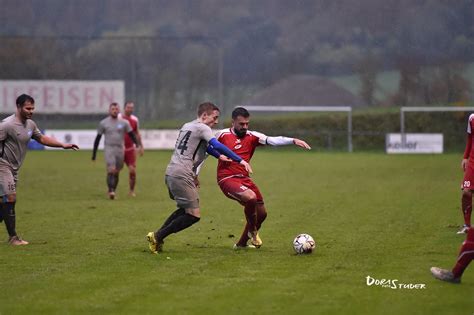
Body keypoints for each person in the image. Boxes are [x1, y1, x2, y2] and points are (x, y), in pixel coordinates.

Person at [146, 102, 253, 254]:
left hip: (172, 171)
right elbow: (216, 144)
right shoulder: (203, 128)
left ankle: (158, 238)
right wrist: (240, 160)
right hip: (182, 173)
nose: (216, 121)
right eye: (214, 117)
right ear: (204, 115)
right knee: (193, 215)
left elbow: (205, 147)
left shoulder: (187, 126)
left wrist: (219, 156)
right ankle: (157, 236)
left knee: (185, 209)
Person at [209, 107, 311, 249]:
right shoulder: (222, 135)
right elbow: (206, 148)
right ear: (233, 122)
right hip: (227, 178)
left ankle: (241, 244)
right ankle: (253, 231)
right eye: (241, 124)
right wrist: (195, 171)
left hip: (244, 179)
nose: (245, 127)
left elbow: (272, 140)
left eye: (247, 124)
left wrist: (293, 140)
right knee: (250, 198)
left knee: (262, 214)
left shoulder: (252, 136)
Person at [0, 94, 79, 245]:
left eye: (32, 108)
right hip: (2, 165)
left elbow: (42, 139)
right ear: (18, 107)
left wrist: (63, 145)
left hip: (14, 168)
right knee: (10, 197)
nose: (31, 111)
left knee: (5, 204)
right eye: (27, 108)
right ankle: (13, 238)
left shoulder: (30, 125)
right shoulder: (7, 125)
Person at [92, 102, 142, 200]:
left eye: (116, 109)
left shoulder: (124, 123)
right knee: (111, 169)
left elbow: (132, 134)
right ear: (109, 111)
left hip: (120, 149)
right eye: (113, 109)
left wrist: (137, 144)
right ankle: (111, 191)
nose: (115, 111)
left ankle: (113, 189)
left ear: (119, 110)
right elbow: (97, 139)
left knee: (116, 171)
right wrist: (94, 154)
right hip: (109, 148)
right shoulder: (104, 123)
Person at [119, 101, 144, 197]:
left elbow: (137, 133)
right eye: (128, 107)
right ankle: (111, 189)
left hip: (130, 149)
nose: (130, 109)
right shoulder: (119, 118)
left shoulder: (135, 120)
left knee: (132, 171)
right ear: (124, 108)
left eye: (132, 107)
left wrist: (141, 146)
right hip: (119, 149)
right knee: (115, 170)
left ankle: (131, 191)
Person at [458, 113, 474, 234]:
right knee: (466, 192)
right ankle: (467, 225)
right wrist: (465, 157)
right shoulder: (472, 118)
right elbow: (470, 138)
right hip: (473, 162)